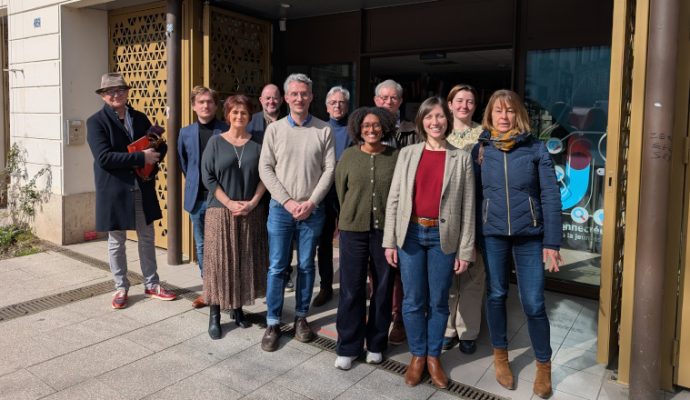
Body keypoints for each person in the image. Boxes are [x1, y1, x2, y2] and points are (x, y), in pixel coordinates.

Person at [473, 89, 562, 398]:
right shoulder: (481, 149)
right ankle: (501, 358)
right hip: (493, 234)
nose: (504, 116)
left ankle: (543, 366)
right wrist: (472, 237)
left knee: (534, 303)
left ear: (519, 115)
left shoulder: (536, 149)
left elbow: (551, 196)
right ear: (490, 115)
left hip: (530, 236)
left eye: (510, 110)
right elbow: (474, 197)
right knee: (496, 294)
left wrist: (552, 241)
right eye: (498, 110)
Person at [382, 97, 475, 389]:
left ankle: (434, 356)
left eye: (440, 117)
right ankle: (417, 355)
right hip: (409, 234)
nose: (435, 122)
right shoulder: (408, 153)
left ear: (448, 121)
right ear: (422, 121)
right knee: (412, 300)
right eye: (429, 117)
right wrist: (389, 241)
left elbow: (468, 207)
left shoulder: (461, 158)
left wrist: (466, 250)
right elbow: (395, 198)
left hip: (442, 237)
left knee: (438, 301)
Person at [258, 73, 335, 352]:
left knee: (305, 266)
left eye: (304, 93)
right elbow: (265, 168)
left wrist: (311, 202)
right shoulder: (275, 130)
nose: (299, 98)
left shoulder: (323, 130)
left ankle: (301, 317)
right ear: (286, 97)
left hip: (312, 211)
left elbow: (329, 170)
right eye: (294, 94)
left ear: (311, 96)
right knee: (278, 266)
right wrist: (288, 201)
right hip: (281, 209)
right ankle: (273, 321)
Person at [86, 72, 176, 309]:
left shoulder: (140, 117)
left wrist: (156, 152)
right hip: (114, 190)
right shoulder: (96, 122)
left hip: (141, 185)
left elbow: (157, 146)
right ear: (104, 96)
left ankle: (152, 283)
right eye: (110, 92)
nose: (115, 95)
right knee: (117, 240)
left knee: (147, 236)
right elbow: (104, 158)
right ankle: (120, 287)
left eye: (119, 90)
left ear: (127, 93)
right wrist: (140, 156)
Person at [333, 107, 398, 370]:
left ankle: (376, 343)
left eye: (376, 125)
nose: (371, 130)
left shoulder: (395, 157)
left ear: (384, 127)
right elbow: (340, 191)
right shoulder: (348, 156)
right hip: (352, 230)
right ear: (358, 129)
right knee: (351, 288)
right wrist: (351, 215)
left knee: (383, 289)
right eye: (366, 126)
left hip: (385, 233)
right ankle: (348, 346)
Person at [201, 94, 268, 339]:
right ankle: (215, 314)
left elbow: (265, 176)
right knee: (219, 264)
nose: (239, 117)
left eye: (244, 113)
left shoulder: (258, 143)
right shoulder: (216, 142)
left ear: (250, 116)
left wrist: (252, 202)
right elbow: (207, 176)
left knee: (243, 260)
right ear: (227, 114)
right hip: (220, 211)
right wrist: (228, 202)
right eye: (235, 112)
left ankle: (238, 309)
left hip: (250, 211)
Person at [373, 79, 418, 345]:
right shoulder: (366, 127)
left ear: (400, 102)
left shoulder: (413, 131)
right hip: (376, 207)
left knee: (400, 268)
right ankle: (381, 314)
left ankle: (399, 319)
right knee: (377, 268)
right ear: (376, 100)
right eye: (383, 98)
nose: (388, 102)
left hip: (404, 209)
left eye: (393, 98)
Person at [442, 84, 485, 354]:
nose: (464, 106)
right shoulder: (438, 131)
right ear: (449, 104)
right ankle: (447, 328)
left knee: (473, 273)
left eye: (469, 101)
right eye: (459, 100)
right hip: (443, 214)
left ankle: (468, 330)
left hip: (475, 211)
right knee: (445, 274)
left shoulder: (486, 135)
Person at [177, 86, 228, 309]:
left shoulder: (225, 130)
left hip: (221, 199)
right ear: (193, 106)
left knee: (223, 246)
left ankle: (225, 290)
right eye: (201, 102)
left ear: (216, 106)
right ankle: (208, 290)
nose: (205, 105)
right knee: (201, 247)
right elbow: (184, 164)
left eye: (209, 102)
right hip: (197, 199)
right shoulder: (185, 133)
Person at [312, 85, 352, 307]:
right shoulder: (319, 129)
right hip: (324, 193)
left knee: (349, 241)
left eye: (342, 102)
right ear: (327, 106)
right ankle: (326, 286)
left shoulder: (353, 129)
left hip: (348, 194)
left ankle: (348, 285)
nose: (337, 106)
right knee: (324, 243)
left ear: (347, 106)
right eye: (333, 102)